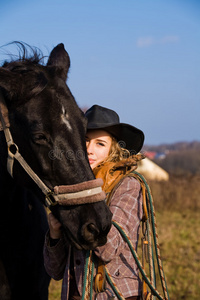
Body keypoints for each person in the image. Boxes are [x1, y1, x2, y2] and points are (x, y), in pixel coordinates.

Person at [43, 104, 145, 300]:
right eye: (85, 141)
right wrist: (55, 235)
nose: (89, 150)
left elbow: (109, 249)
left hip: (115, 295)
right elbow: (54, 271)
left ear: (113, 150)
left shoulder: (128, 185)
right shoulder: (70, 189)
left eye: (100, 144)